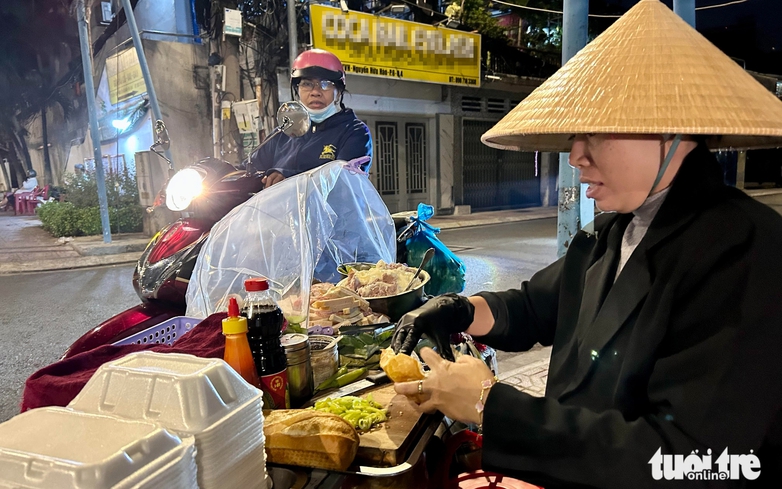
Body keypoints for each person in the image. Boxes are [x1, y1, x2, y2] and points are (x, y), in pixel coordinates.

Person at [391, 1, 782, 487]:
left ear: (671, 129)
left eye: (593, 132)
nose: (575, 155)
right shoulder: (614, 231)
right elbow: (536, 306)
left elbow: (694, 458)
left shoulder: (746, 250)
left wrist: (490, 405)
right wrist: (458, 309)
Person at [249, 49, 373, 188]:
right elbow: (250, 169)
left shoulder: (354, 132)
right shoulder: (281, 134)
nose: (315, 92)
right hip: (279, 210)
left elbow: (343, 182)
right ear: (297, 91)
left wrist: (288, 178)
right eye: (307, 84)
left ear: (338, 93)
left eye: (325, 84)